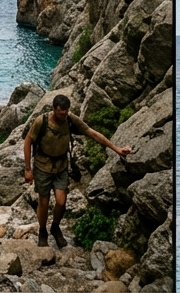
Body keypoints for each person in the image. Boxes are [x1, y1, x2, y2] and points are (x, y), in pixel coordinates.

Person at [23, 95, 132, 249]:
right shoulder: (42, 121)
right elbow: (27, 142)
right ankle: (42, 232)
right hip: (42, 166)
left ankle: (55, 227)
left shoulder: (70, 119)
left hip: (61, 166)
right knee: (44, 201)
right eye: (60, 111)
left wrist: (117, 149)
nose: (63, 114)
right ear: (54, 109)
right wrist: (28, 169)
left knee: (61, 201)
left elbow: (92, 133)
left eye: (66, 111)